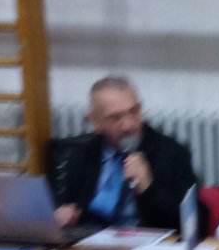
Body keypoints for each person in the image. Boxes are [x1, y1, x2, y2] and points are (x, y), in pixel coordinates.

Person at [52, 75, 206, 234]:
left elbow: (196, 223)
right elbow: (67, 207)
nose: (128, 126)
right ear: (95, 122)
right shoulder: (79, 153)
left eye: (133, 112)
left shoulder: (171, 153)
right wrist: (63, 215)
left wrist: (148, 188)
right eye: (115, 118)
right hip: (91, 241)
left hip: (146, 243)